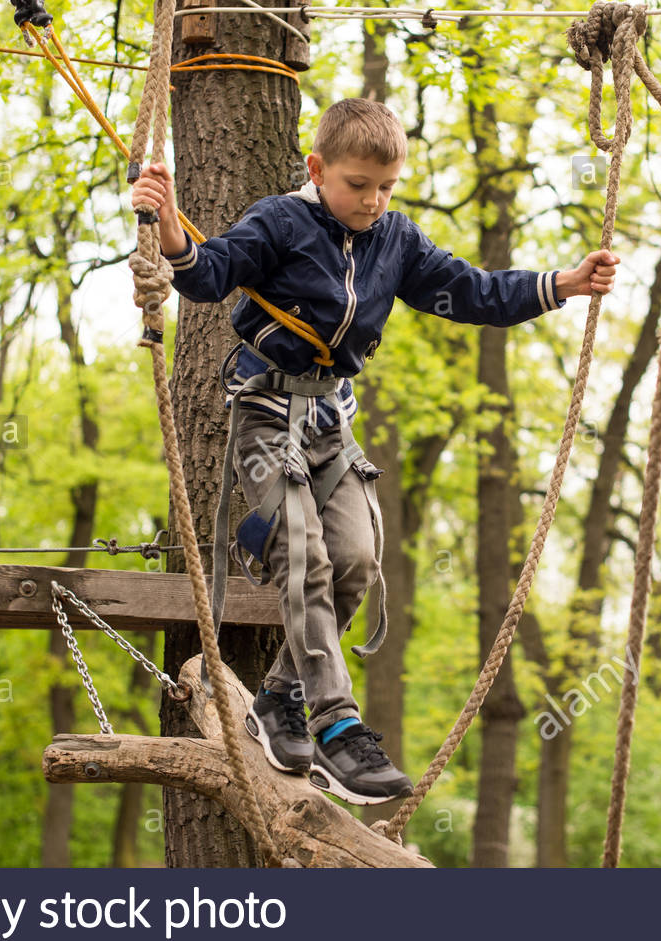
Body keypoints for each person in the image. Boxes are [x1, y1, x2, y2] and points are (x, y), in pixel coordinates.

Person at [131, 98, 618, 805]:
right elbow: (208, 274)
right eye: (358, 184)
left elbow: (471, 291)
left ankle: (280, 698)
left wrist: (562, 285)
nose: (372, 200)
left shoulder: (396, 240)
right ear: (318, 168)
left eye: (386, 187)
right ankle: (338, 726)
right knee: (302, 551)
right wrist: (170, 226)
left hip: (331, 420)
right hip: (267, 413)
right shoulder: (280, 222)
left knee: (355, 559)